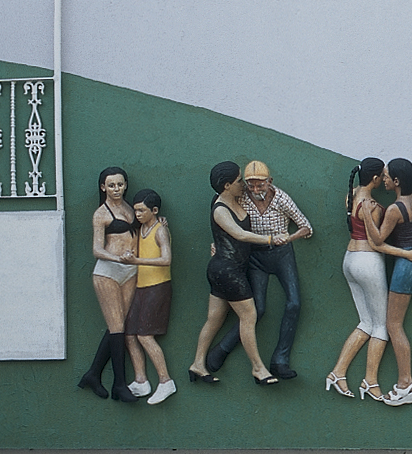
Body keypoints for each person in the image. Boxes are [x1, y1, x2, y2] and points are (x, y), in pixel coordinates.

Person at [204, 159, 314, 380]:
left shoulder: (281, 198)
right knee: (257, 309)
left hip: (282, 254)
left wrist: (287, 238)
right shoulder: (240, 197)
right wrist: (219, 242)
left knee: (294, 302)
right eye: (250, 184)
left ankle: (280, 360)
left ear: (269, 182)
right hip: (254, 255)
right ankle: (221, 350)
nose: (255, 189)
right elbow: (225, 219)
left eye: (260, 184)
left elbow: (306, 227)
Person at [186, 161, 285, 387]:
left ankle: (197, 365)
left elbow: (221, 236)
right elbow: (239, 234)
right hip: (227, 272)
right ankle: (258, 369)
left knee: (214, 319)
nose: (242, 183)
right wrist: (271, 239)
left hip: (227, 268)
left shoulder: (233, 199)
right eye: (239, 180)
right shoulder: (220, 208)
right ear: (227, 185)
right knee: (249, 316)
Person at [326, 158, 392, 401]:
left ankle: (338, 372)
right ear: (375, 179)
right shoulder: (372, 205)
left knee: (365, 322)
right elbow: (377, 241)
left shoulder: (351, 194)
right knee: (381, 327)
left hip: (349, 260)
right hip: (368, 262)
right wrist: (404, 252)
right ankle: (370, 382)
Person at [77, 166, 142, 403]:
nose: (117, 189)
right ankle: (119, 385)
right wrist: (118, 258)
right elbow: (96, 249)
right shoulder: (101, 214)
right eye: (111, 185)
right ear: (103, 186)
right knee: (117, 329)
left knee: (119, 325)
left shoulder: (129, 208)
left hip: (131, 271)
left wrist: (159, 222)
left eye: (120, 184)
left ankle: (93, 374)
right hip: (108, 273)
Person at [369, 158, 412, 407]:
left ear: (397, 181)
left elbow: (379, 240)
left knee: (393, 326)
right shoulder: (410, 201)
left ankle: (406, 384)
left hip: (406, 267)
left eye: (387, 176)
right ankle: (405, 383)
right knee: (395, 325)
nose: (385, 179)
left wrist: (365, 212)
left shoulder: (394, 209)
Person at [124, 189, 175, 405]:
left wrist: (137, 261)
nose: (137, 214)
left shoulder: (159, 230)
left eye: (142, 210)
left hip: (158, 287)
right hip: (142, 287)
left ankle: (166, 382)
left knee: (145, 336)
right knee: (130, 333)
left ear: (154, 210)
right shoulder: (142, 228)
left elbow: (166, 260)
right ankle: (141, 381)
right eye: (135, 210)